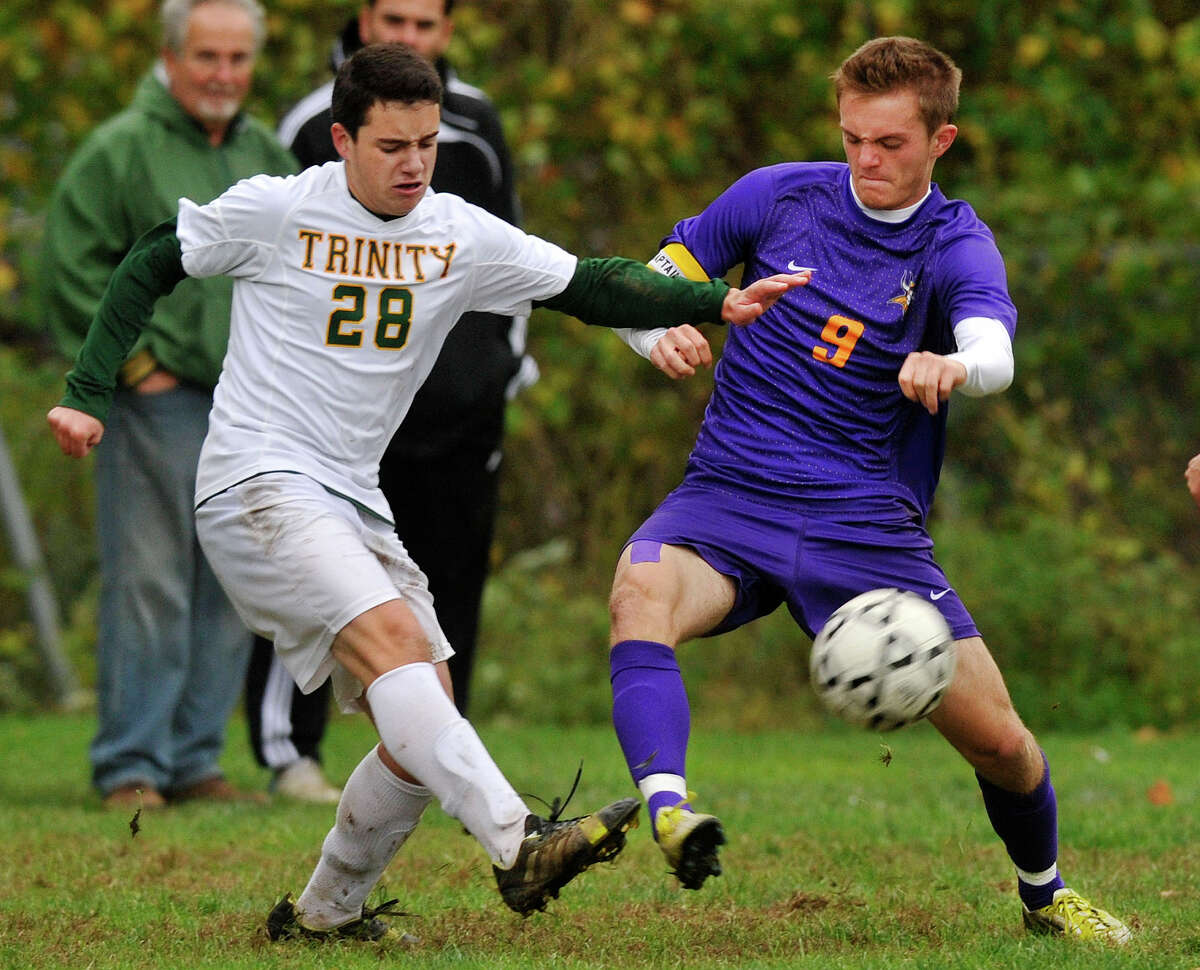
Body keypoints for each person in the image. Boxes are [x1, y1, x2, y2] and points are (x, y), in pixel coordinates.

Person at [47, 44, 806, 939]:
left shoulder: (458, 231)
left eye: (426, 144)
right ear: (341, 139)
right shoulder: (279, 209)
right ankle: (519, 841)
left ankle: (327, 914)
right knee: (399, 650)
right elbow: (150, 259)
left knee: (423, 713)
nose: (413, 164)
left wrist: (715, 302)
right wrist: (87, 391)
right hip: (258, 477)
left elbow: (591, 284)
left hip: (350, 497)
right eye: (391, 146)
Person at [605, 36, 1132, 945]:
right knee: (637, 591)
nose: (866, 160)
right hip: (730, 492)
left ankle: (1045, 895)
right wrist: (658, 336)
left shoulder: (954, 241)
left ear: (942, 140)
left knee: (1004, 745)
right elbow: (644, 290)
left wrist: (954, 364)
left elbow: (998, 354)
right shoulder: (777, 195)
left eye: (890, 143)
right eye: (853, 138)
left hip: (865, 528)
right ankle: (670, 809)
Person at [246, 0, 524, 805]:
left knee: (442, 596)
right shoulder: (308, 124)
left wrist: (498, 373)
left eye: (426, 23)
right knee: (316, 588)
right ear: (363, 18)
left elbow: (516, 260)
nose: (409, 38)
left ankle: (438, 763)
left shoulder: (477, 124)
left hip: (460, 415)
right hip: (335, 427)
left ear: (448, 31)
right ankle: (291, 753)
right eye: (393, 19)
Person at [39, 0, 296, 810]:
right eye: (207, 57)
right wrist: (137, 366)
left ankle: (196, 762)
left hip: (248, 408)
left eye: (238, 59)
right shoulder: (120, 148)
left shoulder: (263, 151)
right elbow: (70, 266)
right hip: (156, 403)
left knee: (229, 582)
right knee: (150, 582)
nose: (224, 75)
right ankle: (131, 765)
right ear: (171, 55)